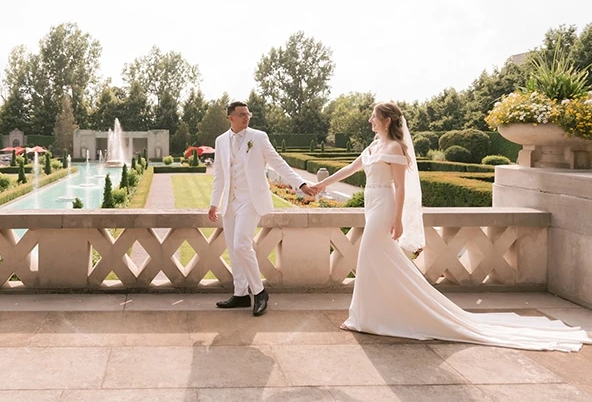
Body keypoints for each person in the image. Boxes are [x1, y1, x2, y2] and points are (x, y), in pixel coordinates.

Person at [311, 101, 591, 352]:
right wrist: (321, 184)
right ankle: (374, 313)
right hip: (370, 205)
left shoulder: (395, 147)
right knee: (376, 260)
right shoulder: (373, 146)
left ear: (386, 120)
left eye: (374, 117)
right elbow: (350, 169)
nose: (370, 121)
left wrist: (397, 219)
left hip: (384, 206)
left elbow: (399, 187)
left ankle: (365, 316)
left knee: (369, 255)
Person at [209, 100, 317, 316]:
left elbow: (278, 163)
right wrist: (214, 203)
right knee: (233, 247)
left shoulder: (258, 137)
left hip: (251, 199)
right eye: (241, 114)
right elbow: (220, 174)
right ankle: (240, 294)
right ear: (230, 117)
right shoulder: (221, 141)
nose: (246, 117)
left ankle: (259, 292)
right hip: (231, 201)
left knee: (241, 244)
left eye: (248, 114)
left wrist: (301, 184)